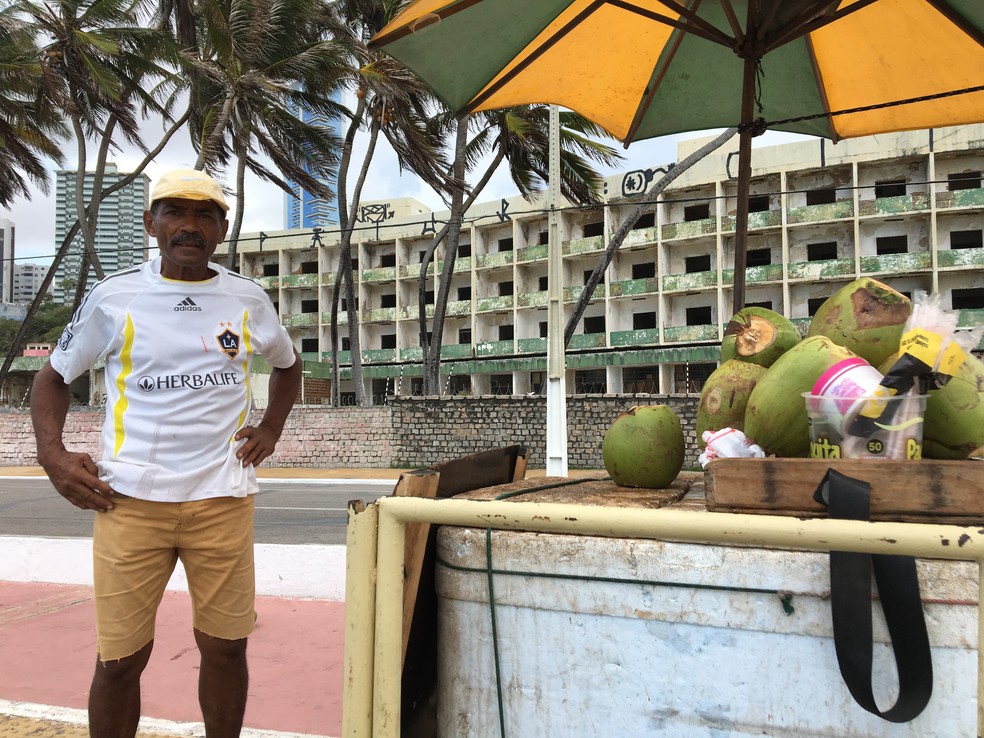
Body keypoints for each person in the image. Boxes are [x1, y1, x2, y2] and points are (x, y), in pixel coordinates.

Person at [31, 168, 302, 738]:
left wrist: (271, 427)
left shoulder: (246, 299)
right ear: (151, 222)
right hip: (127, 500)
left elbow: (288, 364)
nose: (189, 225)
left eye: (205, 214)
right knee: (120, 661)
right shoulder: (115, 296)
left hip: (221, 498)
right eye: (175, 212)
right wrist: (54, 457)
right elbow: (53, 378)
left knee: (226, 650)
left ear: (222, 228)